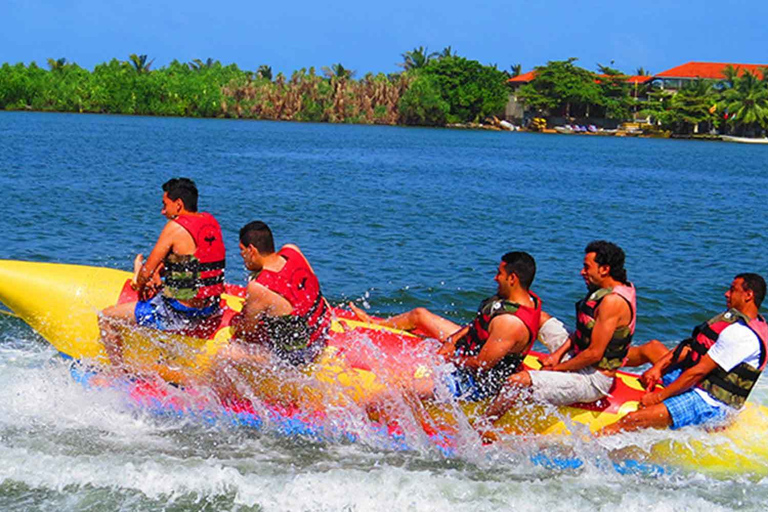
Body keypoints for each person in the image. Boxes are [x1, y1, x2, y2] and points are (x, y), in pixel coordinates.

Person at [350, 252, 548, 401]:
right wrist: (453, 340)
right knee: (420, 315)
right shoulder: (515, 298)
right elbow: (479, 322)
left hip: (475, 383)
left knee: (398, 389)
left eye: (500, 273)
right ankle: (375, 323)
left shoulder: (510, 323)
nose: (495, 278)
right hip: (472, 345)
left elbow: (482, 364)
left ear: (512, 279)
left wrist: (449, 358)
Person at [481, 241, 636, 430]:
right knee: (537, 318)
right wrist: (556, 355)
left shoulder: (613, 302)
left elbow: (594, 354)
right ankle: (493, 347)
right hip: (580, 356)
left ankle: (482, 426)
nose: (582, 272)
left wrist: (557, 369)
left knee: (517, 381)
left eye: (587, 267)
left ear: (604, 269)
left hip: (594, 379)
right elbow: (582, 333)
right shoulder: (611, 290)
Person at [600, 273, 768, 435]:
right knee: (652, 347)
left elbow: (698, 372)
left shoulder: (742, 335)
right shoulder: (736, 322)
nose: (726, 293)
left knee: (632, 420)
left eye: (732, 289)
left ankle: (587, 444)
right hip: (700, 381)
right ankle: (600, 362)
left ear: (748, 295)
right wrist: (659, 367)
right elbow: (692, 348)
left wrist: (658, 397)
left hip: (709, 402)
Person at [99, 178, 226, 367]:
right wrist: (161, 273)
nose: (163, 210)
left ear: (178, 204)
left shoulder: (175, 227)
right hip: (210, 308)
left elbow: (146, 272)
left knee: (106, 317)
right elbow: (192, 260)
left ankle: (118, 373)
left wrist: (140, 282)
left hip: (180, 314)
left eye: (165, 204)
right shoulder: (210, 222)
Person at [226, 221, 332, 367]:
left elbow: (246, 331)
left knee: (228, 353)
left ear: (251, 250)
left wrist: (236, 321)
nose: (242, 256)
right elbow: (313, 286)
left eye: (242, 251)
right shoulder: (292, 250)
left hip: (300, 355)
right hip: (323, 331)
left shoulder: (259, 287)